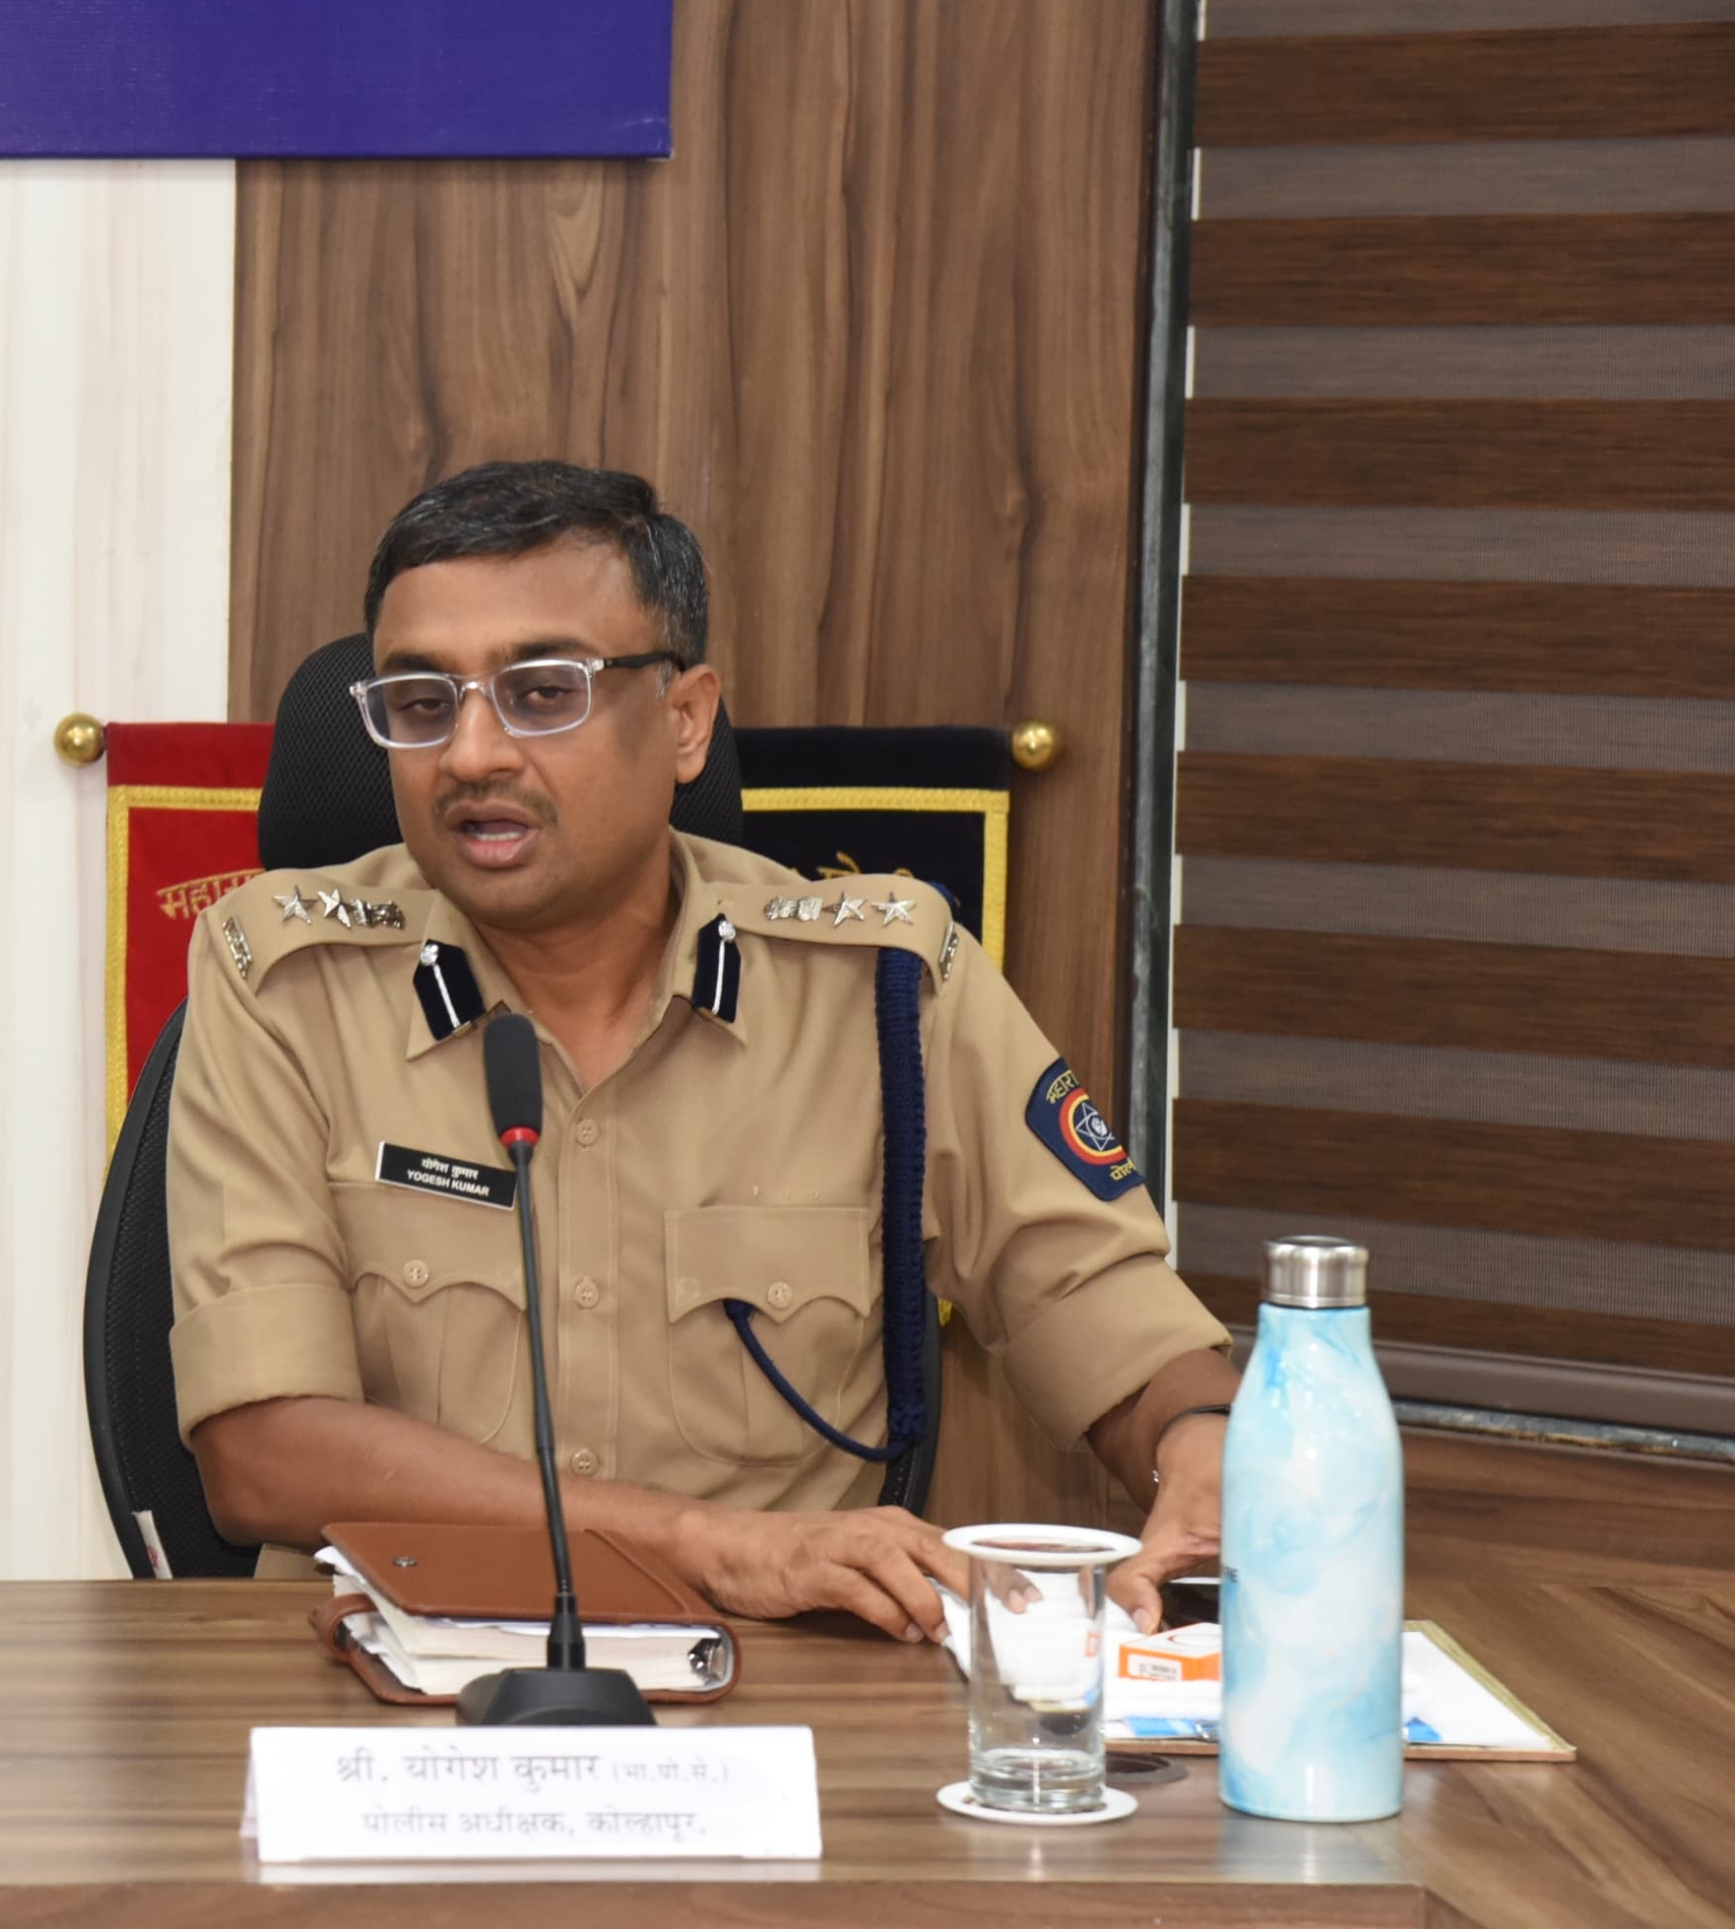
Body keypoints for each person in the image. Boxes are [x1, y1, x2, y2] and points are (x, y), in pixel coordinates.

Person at [166, 461, 1231, 1636]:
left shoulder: (882, 984)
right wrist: (709, 1544)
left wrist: (1199, 1443)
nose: (469, 754)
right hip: (384, 1676)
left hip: (782, 1688)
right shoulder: (282, 979)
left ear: (683, 720)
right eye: (421, 704)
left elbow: (1105, 1308)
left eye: (540, 691)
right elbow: (259, 1447)